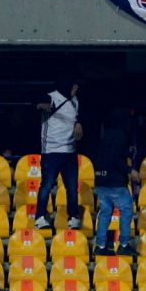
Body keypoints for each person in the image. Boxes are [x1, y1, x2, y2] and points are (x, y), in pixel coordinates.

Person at [34, 74, 84, 231]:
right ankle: (40, 217)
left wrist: (79, 123)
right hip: (51, 151)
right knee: (47, 185)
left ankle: (73, 217)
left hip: (70, 151)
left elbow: (80, 116)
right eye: (74, 85)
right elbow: (34, 105)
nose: (76, 87)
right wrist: (39, 106)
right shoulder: (51, 97)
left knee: (71, 187)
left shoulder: (75, 101)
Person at [93, 107, 141, 257]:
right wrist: (130, 170)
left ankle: (100, 246)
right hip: (114, 182)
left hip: (101, 180)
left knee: (106, 212)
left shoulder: (107, 134)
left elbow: (111, 153)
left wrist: (128, 151)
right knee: (126, 209)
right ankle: (124, 244)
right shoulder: (120, 134)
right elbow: (114, 158)